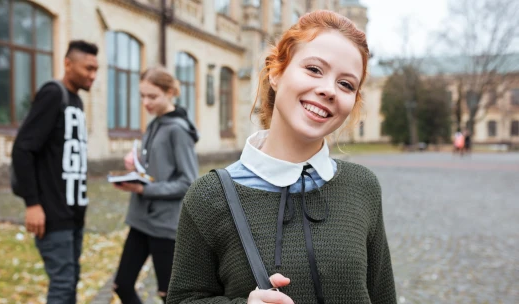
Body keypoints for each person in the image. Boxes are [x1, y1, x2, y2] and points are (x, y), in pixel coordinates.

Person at [167, 10, 396, 304]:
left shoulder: (362, 186)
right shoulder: (209, 197)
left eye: (346, 84)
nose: (328, 90)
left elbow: (383, 297)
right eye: (314, 69)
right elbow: (183, 299)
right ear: (276, 72)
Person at [11, 40, 99, 303]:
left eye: (96, 69)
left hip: (74, 212)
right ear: (67, 64)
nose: (93, 75)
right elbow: (23, 149)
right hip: (51, 213)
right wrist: (32, 204)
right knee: (62, 285)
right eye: (87, 68)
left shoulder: (76, 102)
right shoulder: (53, 93)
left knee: (70, 282)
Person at [112, 66, 199, 304]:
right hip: (140, 220)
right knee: (122, 285)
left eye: (152, 96)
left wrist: (144, 189)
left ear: (170, 92)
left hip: (165, 226)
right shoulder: (154, 124)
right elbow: (158, 169)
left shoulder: (178, 131)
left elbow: (188, 182)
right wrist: (137, 166)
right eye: (142, 96)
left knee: (167, 295)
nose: (145, 102)